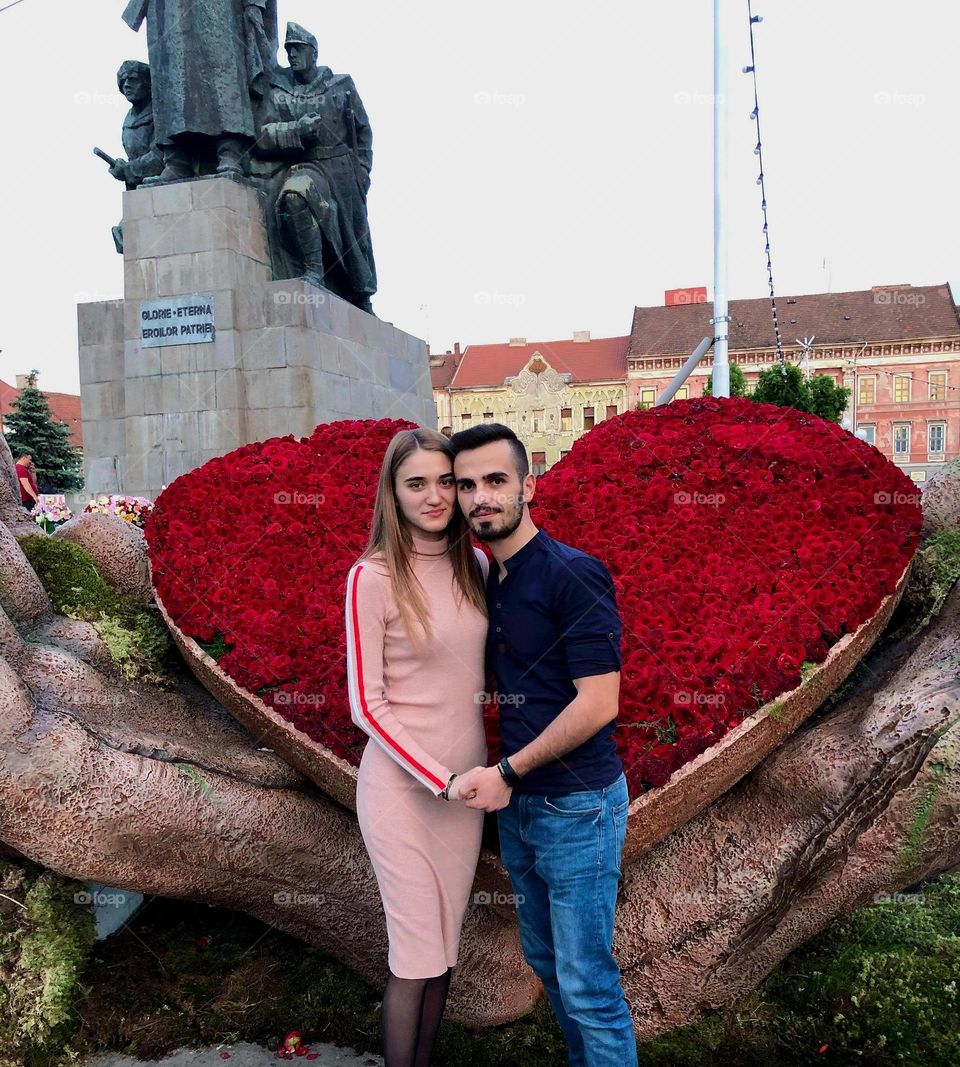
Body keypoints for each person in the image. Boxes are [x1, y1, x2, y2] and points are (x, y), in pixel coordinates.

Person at [449, 423, 638, 1067]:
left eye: (496, 481)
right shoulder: (491, 579)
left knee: (587, 981)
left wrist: (507, 770)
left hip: (577, 804)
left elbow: (599, 702)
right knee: (548, 965)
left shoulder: (572, 575)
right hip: (524, 805)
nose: (481, 497)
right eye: (467, 484)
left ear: (529, 485)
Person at [344, 427, 489, 1066]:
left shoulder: (478, 566)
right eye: (416, 484)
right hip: (403, 793)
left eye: (444, 482)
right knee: (414, 958)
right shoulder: (370, 578)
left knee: (445, 954)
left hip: (466, 796)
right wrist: (442, 778)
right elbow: (365, 705)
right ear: (392, 493)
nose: (434, 496)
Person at [252, 22, 377, 313]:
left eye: (298, 49)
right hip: (307, 164)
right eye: (289, 50)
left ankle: (361, 296)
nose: (292, 54)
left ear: (313, 52)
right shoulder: (278, 90)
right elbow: (262, 134)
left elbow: (363, 131)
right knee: (295, 196)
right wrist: (297, 129)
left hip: (344, 171)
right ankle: (313, 270)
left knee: (354, 238)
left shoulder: (341, 85)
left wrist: (363, 171)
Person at [121, 0, 278, 180]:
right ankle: (176, 159)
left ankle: (229, 151)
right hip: (167, 9)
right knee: (171, 75)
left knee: (223, 70)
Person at [108, 60, 163, 253]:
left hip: (165, 181)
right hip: (139, 188)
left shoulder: (161, 112)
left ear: (148, 83)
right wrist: (121, 168)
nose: (127, 85)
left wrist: (129, 169)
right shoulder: (129, 118)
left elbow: (162, 154)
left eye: (133, 80)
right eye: (123, 81)